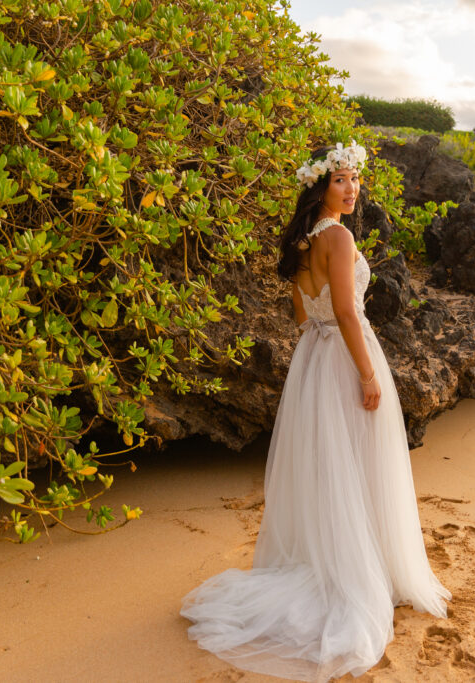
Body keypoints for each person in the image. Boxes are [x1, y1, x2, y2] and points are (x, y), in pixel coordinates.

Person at [181, 141, 451, 682]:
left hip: (314, 357)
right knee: (361, 461)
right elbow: (349, 312)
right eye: (340, 181)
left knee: (332, 466)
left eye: (355, 179)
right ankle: (360, 573)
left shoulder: (304, 240)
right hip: (346, 356)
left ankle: (337, 557)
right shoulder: (340, 236)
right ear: (320, 186)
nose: (351, 189)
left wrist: (320, 347)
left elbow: (301, 312)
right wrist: (369, 375)